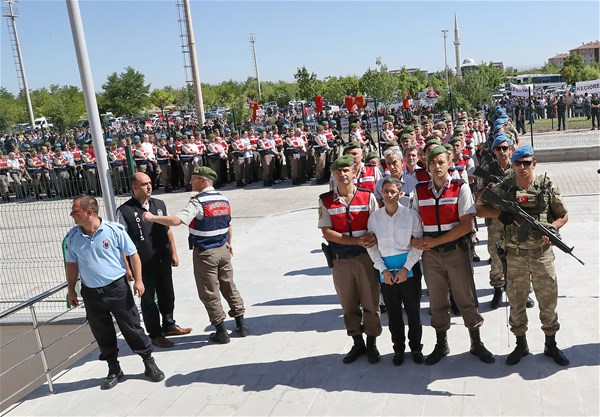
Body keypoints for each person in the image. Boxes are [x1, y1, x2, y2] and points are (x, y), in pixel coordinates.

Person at [476, 145, 570, 366]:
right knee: (517, 302)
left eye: (526, 163)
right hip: (515, 256)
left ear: (534, 163)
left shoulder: (546, 186)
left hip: (541, 255)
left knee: (548, 301)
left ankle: (551, 343)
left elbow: (563, 215)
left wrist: (553, 229)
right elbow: (479, 209)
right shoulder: (505, 187)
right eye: (518, 163)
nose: (521, 167)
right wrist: (501, 214)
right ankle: (521, 343)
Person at [65, 196, 165, 390]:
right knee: (102, 332)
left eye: (75, 212)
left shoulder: (113, 230)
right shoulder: (72, 237)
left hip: (117, 289)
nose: (72, 215)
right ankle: (114, 369)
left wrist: (139, 280)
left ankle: (148, 362)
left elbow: (133, 253)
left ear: (89, 212)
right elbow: (72, 265)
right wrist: (71, 290)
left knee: (132, 327)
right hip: (91, 294)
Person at [142, 166, 248, 344]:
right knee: (229, 286)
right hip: (223, 249)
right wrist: (229, 243)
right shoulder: (222, 199)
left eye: (194, 178)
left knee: (209, 292)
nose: (190, 181)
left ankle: (221, 331)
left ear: (204, 181)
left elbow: (177, 220)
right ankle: (241, 324)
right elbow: (229, 224)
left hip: (206, 252)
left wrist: (152, 218)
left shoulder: (198, 202)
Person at [411, 146, 495, 366]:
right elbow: (413, 223)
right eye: (432, 163)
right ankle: (441, 344)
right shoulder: (419, 192)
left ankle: (476, 342)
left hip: (456, 252)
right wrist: (414, 241)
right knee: (437, 300)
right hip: (430, 257)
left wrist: (435, 241)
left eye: (441, 162)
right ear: (427, 166)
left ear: (449, 162)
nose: (437, 166)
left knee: (465, 298)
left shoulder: (460, 188)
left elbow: (466, 226)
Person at [318, 155, 382, 364]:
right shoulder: (326, 200)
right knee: (348, 303)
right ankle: (357, 342)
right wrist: (356, 241)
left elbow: (377, 224)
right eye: (338, 172)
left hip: (366, 259)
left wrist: (371, 238)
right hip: (341, 260)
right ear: (334, 175)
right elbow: (327, 232)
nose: (343, 175)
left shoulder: (367, 196)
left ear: (354, 173)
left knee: (371, 302)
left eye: (347, 170)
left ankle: (371, 342)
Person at [116, 173, 192, 348]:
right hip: (143, 265)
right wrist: (126, 266)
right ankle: (155, 334)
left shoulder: (159, 204)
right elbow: (120, 242)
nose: (149, 186)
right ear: (135, 187)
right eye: (144, 184)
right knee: (149, 300)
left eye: (150, 183)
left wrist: (174, 252)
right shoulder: (125, 210)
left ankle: (169, 324)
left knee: (167, 294)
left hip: (162, 259)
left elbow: (167, 230)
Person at [366, 176, 424, 366]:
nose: (389, 195)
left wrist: (406, 268)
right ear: (380, 193)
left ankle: (416, 347)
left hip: (409, 269)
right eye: (385, 191)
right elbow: (372, 247)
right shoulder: (374, 218)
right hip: (386, 272)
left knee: (413, 311)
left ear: (400, 194)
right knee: (393, 313)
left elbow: (418, 244)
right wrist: (383, 270)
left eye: (393, 192)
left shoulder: (411, 215)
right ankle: (398, 348)